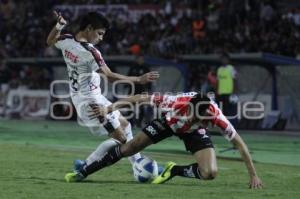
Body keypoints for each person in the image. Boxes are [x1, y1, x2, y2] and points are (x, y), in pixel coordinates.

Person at [65, 92, 263, 189]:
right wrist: (111, 108)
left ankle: (173, 170)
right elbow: (141, 98)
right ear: (188, 108)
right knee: (128, 148)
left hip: (193, 134)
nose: (196, 120)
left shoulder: (216, 117)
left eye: (201, 119)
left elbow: (240, 144)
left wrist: (253, 175)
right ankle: (84, 172)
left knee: (210, 173)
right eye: (194, 116)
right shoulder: (176, 102)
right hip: (169, 123)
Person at [46, 11, 160, 179]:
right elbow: (110, 76)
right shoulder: (90, 51)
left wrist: (59, 25)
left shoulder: (66, 40)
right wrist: (138, 79)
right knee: (121, 141)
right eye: (99, 33)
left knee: (126, 125)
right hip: (92, 102)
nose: (101, 38)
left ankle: (138, 164)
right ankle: (87, 165)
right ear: (89, 28)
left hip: (85, 97)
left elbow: (49, 41)